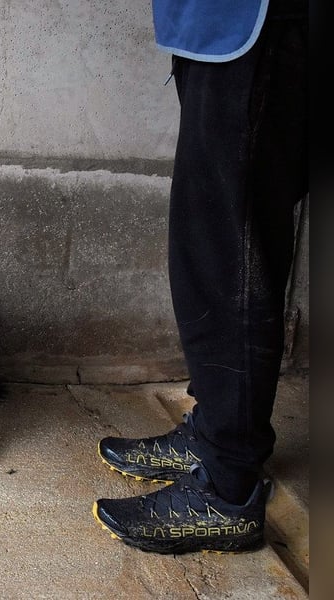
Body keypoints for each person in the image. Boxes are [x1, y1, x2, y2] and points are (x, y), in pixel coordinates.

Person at [92, 0, 308, 554]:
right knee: (222, 238)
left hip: (259, 24)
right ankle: (218, 432)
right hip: (218, 25)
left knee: (227, 251)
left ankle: (227, 488)